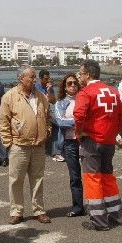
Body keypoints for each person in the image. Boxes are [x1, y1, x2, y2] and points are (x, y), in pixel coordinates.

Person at [74, 60, 122, 231]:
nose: (79, 77)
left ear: (88, 74)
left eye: (81, 74)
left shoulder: (85, 92)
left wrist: (79, 133)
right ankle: (116, 216)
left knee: (93, 179)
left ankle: (99, 221)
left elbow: (79, 115)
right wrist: (112, 133)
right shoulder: (112, 91)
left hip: (92, 141)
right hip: (109, 142)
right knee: (107, 177)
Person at [0, 66, 52, 225]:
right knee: (16, 180)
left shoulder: (41, 97)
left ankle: (39, 210)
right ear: (21, 78)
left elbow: (48, 116)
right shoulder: (9, 96)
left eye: (35, 77)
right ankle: (16, 211)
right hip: (19, 146)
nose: (34, 80)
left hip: (38, 146)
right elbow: (3, 122)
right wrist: (8, 144)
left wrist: (47, 131)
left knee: (38, 179)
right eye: (31, 77)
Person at [53, 73, 84, 217]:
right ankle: (78, 207)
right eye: (69, 83)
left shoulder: (84, 100)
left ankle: (96, 203)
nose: (73, 86)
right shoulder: (60, 103)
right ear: (64, 87)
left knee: (92, 174)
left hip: (85, 141)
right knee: (75, 176)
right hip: (70, 143)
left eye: (75, 83)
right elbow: (60, 122)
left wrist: (71, 119)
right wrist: (79, 120)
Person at [35, 69, 63, 162]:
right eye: (46, 79)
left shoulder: (49, 87)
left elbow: (53, 101)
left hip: (49, 112)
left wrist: (50, 90)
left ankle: (56, 152)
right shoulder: (35, 87)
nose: (48, 80)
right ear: (40, 78)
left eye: (48, 78)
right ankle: (49, 151)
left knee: (57, 127)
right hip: (39, 113)